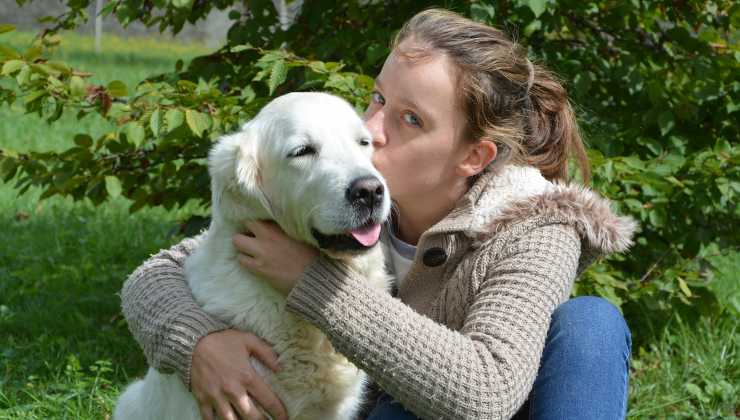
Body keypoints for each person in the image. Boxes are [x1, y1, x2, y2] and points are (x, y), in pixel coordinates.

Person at [121, 8, 636, 420]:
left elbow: (485, 396)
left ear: (471, 158)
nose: (374, 128)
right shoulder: (343, 196)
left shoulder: (535, 229)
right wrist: (199, 344)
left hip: (488, 408)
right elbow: (154, 277)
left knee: (593, 321)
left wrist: (313, 282)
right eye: (377, 98)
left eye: (411, 118)